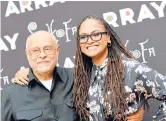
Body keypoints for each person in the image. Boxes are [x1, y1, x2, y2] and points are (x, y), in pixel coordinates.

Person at [12, 15, 166, 121]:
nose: (90, 40)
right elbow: (47, 73)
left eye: (96, 34)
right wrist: (27, 72)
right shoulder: (80, 76)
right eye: (83, 36)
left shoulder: (131, 69)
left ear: (108, 38)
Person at [1, 31, 79, 121]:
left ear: (57, 50)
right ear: (28, 54)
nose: (42, 55)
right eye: (35, 50)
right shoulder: (11, 94)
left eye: (47, 49)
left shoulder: (77, 78)